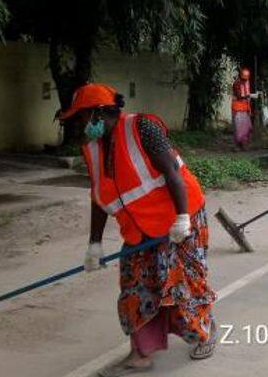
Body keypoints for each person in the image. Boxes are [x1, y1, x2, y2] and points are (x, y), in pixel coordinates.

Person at [57, 83, 216, 377]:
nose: (79, 125)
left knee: (184, 284)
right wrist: (94, 244)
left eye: (81, 118)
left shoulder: (142, 127)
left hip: (178, 218)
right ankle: (140, 353)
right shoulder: (93, 149)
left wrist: (182, 218)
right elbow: (98, 198)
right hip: (138, 230)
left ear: (100, 113)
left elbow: (172, 171)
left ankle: (204, 332)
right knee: (135, 289)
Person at [231, 68, 259, 151]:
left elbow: (246, 95)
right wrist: (251, 95)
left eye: (246, 79)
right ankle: (237, 146)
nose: (245, 80)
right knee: (238, 128)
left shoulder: (247, 83)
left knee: (246, 127)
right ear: (240, 77)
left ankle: (243, 145)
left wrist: (250, 97)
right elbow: (239, 96)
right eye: (243, 79)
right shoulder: (236, 83)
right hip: (237, 108)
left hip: (245, 108)